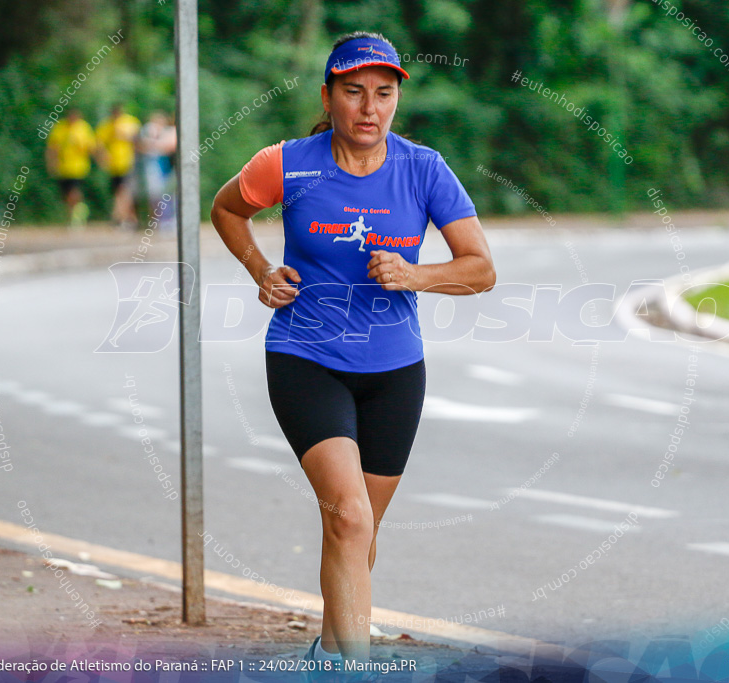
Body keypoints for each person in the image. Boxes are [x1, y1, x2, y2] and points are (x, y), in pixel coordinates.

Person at [210, 31, 496, 676]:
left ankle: (330, 651)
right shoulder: (286, 163)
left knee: (356, 531)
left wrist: (414, 275)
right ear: (328, 96)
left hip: (395, 371)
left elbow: (481, 269)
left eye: (384, 94)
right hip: (305, 356)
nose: (369, 107)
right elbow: (227, 208)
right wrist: (261, 269)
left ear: (397, 100)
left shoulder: (424, 170)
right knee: (351, 519)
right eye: (354, 92)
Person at [46, 109, 95, 229]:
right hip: (64, 168)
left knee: (74, 192)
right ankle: (76, 213)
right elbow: (53, 147)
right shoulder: (60, 128)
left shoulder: (84, 128)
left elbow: (92, 147)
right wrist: (52, 163)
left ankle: (76, 217)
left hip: (79, 167)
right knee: (66, 195)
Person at [96, 103, 142, 230]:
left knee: (124, 190)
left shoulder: (130, 122)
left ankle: (120, 217)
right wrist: (103, 157)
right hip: (114, 165)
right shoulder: (106, 125)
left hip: (128, 163)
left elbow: (137, 141)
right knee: (119, 191)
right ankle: (128, 218)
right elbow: (99, 144)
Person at [138, 110, 177, 231]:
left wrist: (153, 145)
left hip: (167, 169)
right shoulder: (153, 131)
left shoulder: (170, 132)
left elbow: (169, 146)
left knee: (168, 195)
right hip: (158, 169)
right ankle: (158, 220)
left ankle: (168, 220)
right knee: (156, 195)